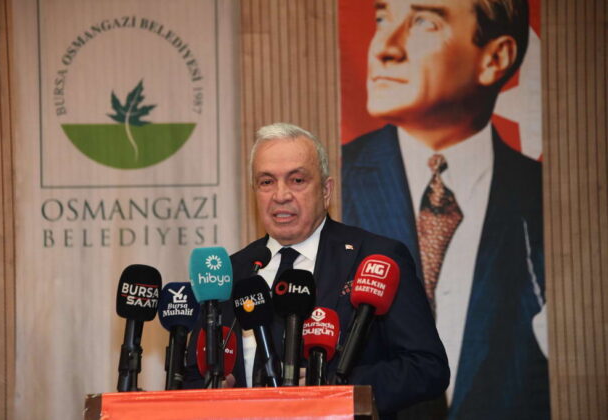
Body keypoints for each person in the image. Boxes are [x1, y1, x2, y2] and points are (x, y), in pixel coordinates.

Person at [342, 1, 548, 419]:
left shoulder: (540, 196)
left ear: (495, 58)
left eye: (424, 22)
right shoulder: (337, 180)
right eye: (382, 19)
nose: (384, 47)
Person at [184, 122, 449, 419]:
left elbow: (427, 367)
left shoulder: (376, 258)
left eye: (297, 180)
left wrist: (334, 386)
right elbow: (192, 375)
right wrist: (210, 390)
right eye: (267, 182)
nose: (280, 195)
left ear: (326, 190)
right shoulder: (232, 272)